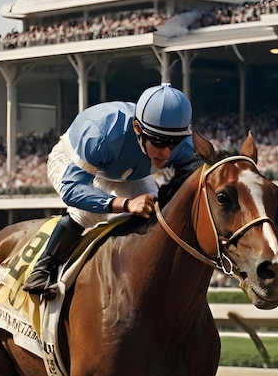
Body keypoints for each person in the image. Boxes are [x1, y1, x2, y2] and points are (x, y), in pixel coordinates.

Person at [23, 82, 196, 295]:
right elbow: (72, 189)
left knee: (156, 209)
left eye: (174, 143)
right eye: (160, 142)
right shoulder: (102, 133)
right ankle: (43, 267)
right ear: (137, 129)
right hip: (73, 162)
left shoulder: (184, 145)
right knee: (87, 213)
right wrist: (126, 204)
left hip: (131, 172)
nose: (168, 153)